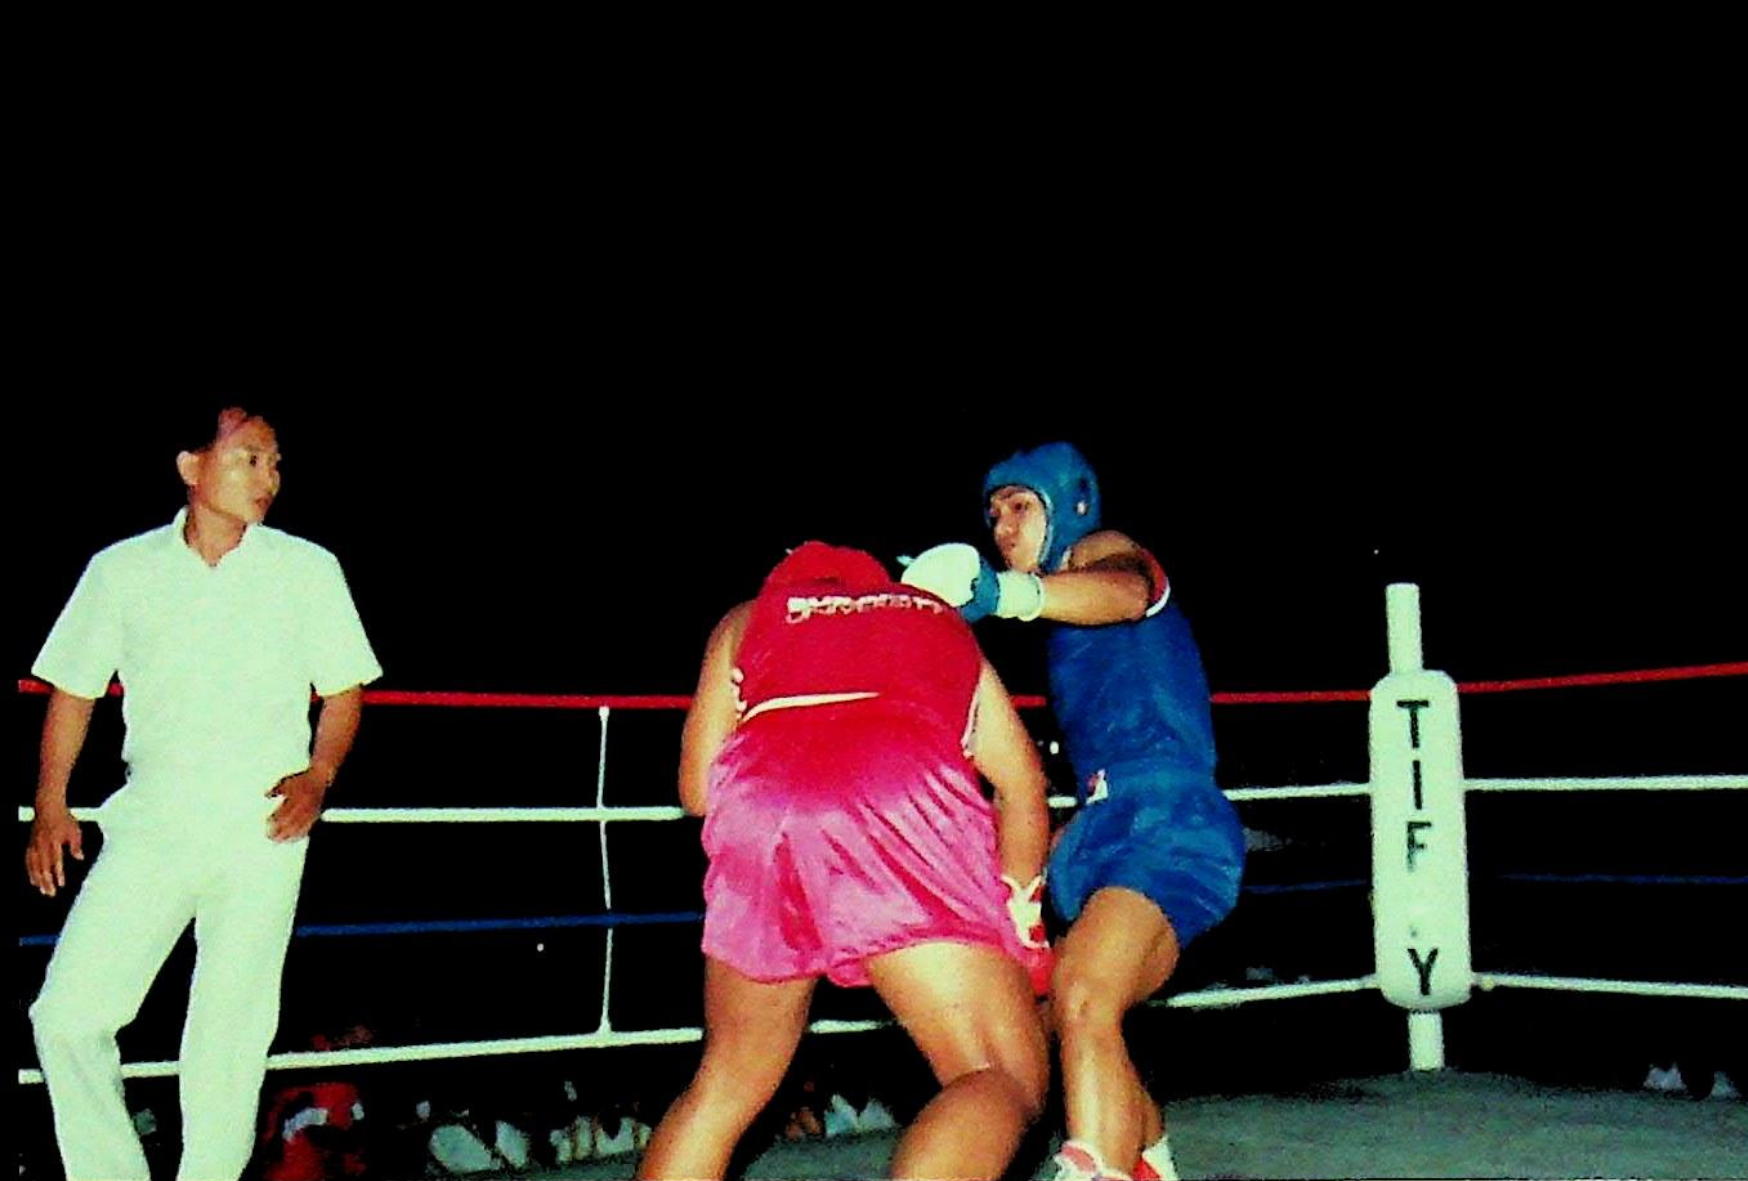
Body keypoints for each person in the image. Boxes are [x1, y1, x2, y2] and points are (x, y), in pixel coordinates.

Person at [25, 406, 382, 1181]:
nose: (268, 477)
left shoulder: (308, 568)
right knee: (66, 1016)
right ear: (191, 466)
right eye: (250, 458)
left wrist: (319, 774)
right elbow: (73, 689)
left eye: (276, 462)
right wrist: (51, 802)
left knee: (229, 1034)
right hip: (152, 819)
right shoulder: (121, 569)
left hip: (265, 824)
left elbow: (344, 691)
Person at [637, 542, 1053, 1181]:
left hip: (764, 809)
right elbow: (1021, 783)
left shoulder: (749, 616)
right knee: (999, 1073)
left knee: (724, 1086)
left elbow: (697, 790)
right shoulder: (933, 615)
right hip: (899, 800)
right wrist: (1022, 914)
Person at [902, 442, 1245, 1181]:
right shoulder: (1062, 622)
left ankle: (1097, 1171)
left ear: (1069, 507)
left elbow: (1127, 592)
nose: (1002, 528)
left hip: (1168, 825)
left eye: (1020, 507)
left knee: (1086, 994)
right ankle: (1145, 1157)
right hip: (1102, 829)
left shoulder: (1099, 551)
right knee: (1059, 1019)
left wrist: (1003, 594)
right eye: (993, 514)